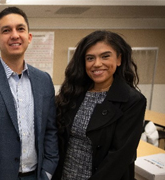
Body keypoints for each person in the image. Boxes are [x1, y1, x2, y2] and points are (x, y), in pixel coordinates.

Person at [0, 6, 59, 180]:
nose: (15, 35)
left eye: (20, 29)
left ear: (29, 38)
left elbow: (50, 130)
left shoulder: (44, 80)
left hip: (37, 175)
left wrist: (47, 171)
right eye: (6, 30)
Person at [53, 30, 147, 180]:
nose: (97, 64)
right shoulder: (73, 94)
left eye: (105, 56)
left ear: (119, 59)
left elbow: (119, 157)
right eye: (90, 58)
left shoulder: (132, 101)